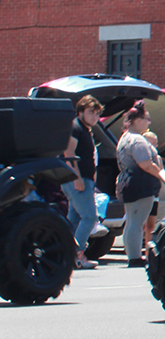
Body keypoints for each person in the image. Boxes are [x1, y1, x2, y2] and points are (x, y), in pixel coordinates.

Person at [115, 101, 163, 267]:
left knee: (131, 220)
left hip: (127, 182)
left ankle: (132, 255)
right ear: (137, 120)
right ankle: (135, 258)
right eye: (147, 119)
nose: (149, 122)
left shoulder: (124, 138)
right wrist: (163, 176)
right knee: (137, 221)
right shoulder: (138, 140)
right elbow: (146, 164)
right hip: (141, 184)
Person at [61, 95, 104, 269]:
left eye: (97, 113)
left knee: (74, 219)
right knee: (89, 217)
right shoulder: (76, 127)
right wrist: (76, 177)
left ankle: (65, 256)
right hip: (76, 180)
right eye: (90, 112)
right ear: (80, 112)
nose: (94, 117)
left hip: (83, 180)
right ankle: (77, 255)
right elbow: (68, 152)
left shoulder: (86, 129)